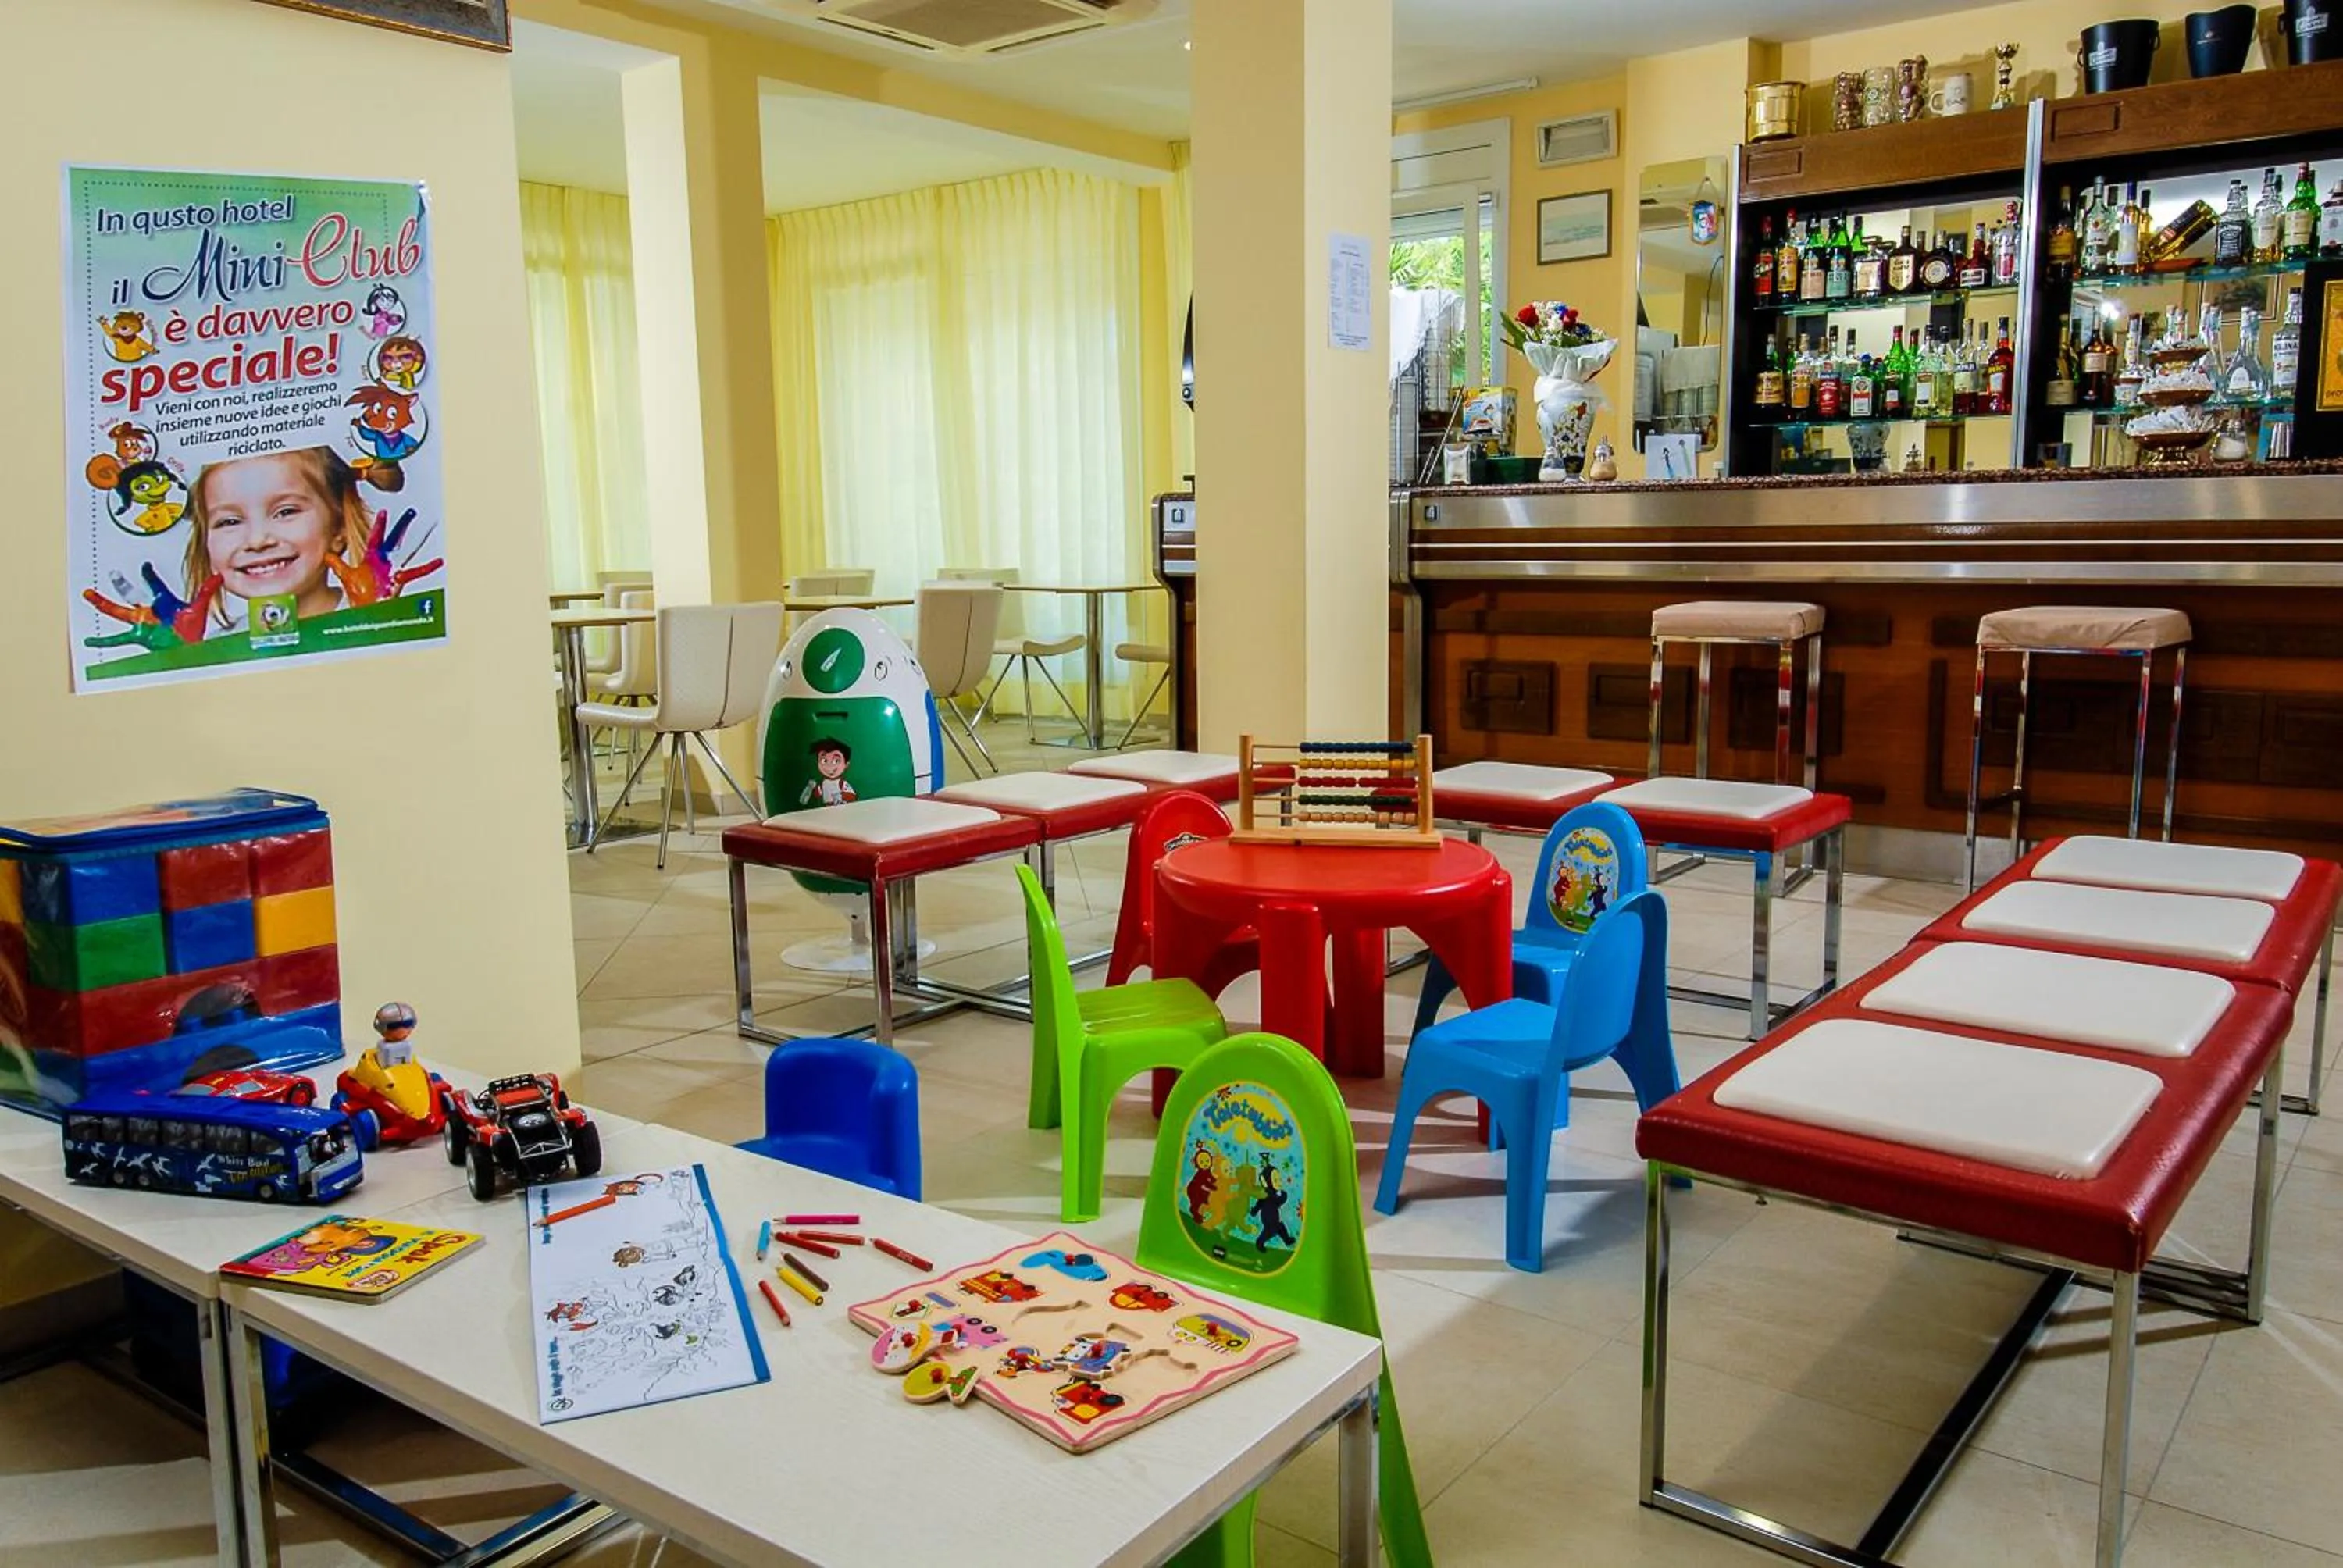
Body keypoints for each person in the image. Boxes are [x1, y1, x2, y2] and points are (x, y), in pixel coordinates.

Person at [180, 446, 369, 629]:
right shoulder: (214, 649)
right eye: (230, 522)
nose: (257, 541)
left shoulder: (371, 620)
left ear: (339, 526)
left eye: (285, 512)